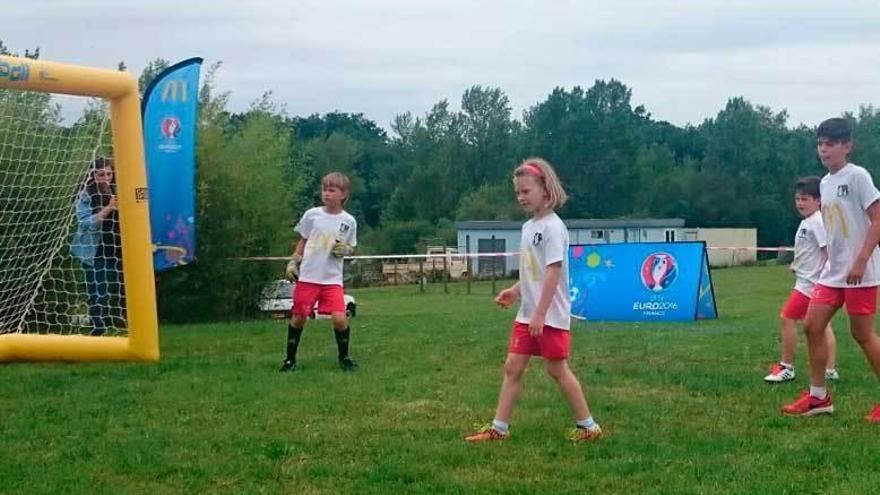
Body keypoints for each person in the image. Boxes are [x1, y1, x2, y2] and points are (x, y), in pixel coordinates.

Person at [465, 158, 602, 443]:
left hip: (548, 315)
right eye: (518, 192)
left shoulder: (553, 227)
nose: (521, 197)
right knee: (513, 366)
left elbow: (554, 271)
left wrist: (540, 313)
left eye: (526, 191)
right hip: (527, 314)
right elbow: (534, 272)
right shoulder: (528, 228)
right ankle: (499, 429)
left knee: (556, 369)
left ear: (545, 190)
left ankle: (589, 427)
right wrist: (515, 291)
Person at [782, 118, 880, 422]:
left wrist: (862, 259)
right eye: (820, 143)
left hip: (861, 272)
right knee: (812, 326)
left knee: (861, 335)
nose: (824, 149)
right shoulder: (824, 183)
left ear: (847, 146)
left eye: (831, 143)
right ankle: (818, 397)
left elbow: (878, 219)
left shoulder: (857, 177)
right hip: (834, 272)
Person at [280, 172, 358, 372]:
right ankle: (290, 360)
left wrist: (347, 250)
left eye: (332, 190)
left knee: (340, 319)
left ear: (343, 194)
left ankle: (344, 357)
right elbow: (303, 239)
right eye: (324, 189)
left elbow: (351, 246)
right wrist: (293, 261)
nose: (327, 193)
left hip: (332, 279)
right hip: (308, 276)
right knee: (299, 317)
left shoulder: (349, 221)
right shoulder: (312, 215)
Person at [765, 177, 838, 383]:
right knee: (822, 327)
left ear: (818, 201)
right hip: (808, 281)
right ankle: (829, 370)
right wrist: (796, 264)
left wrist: (823, 279)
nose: (799, 203)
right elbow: (810, 252)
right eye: (797, 198)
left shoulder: (817, 222)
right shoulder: (808, 222)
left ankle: (786, 367)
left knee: (787, 318)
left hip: (809, 285)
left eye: (805, 199)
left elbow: (828, 252)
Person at [70, 157, 121, 336]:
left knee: (121, 289)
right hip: (95, 251)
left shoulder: (120, 190)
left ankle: (123, 325)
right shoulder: (86, 194)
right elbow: (84, 223)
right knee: (98, 292)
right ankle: (98, 330)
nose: (106, 178)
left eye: (109, 173)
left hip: (119, 249)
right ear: (93, 175)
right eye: (101, 174)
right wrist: (108, 208)